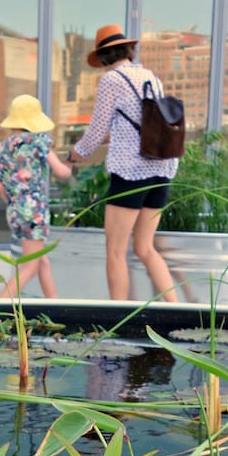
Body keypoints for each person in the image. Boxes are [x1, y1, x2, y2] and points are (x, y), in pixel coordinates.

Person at [69, 24, 180, 302]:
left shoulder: (111, 80)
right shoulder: (151, 77)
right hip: (161, 169)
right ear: (128, 50)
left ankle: (118, 318)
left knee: (116, 251)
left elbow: (95, 131)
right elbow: (142, 125)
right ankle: (176, 308)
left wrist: (75, 154)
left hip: (131, 173)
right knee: (145, 248)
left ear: (104, 56)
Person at [0, 95, 73, 299]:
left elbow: (0, 188)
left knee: (41, 260)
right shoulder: (38, 142)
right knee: (30, 266)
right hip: (34, 211)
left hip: (14, 211)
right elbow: (62, 172)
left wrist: (15, 203)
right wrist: (70, 165)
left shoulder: (3, 147)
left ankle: (54, 304)